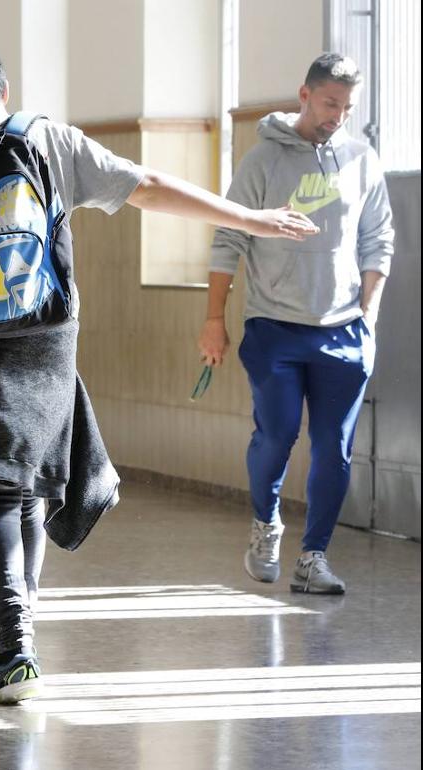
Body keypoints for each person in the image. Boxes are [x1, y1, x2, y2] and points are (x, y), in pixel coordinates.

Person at [0, 34, 319, 706]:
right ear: (3, 88)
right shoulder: (51, 140)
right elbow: (149, 186)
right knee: (28, 484)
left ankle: (12, 648)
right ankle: (15, 641)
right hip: (48, 338)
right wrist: (249, 219)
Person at [199, 53, 394, 595]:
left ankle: (314, 558)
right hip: (274, 327)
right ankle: (266, 525)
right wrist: (214, 319)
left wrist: (369, 318)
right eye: (330, 103)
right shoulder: (263, 159)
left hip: (344, 330)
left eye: (348, 108)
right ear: (304, 95)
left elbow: (379, 240)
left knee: (334, 447)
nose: (338, 116)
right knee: (278, 433)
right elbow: (228, 238)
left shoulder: (361, 160)